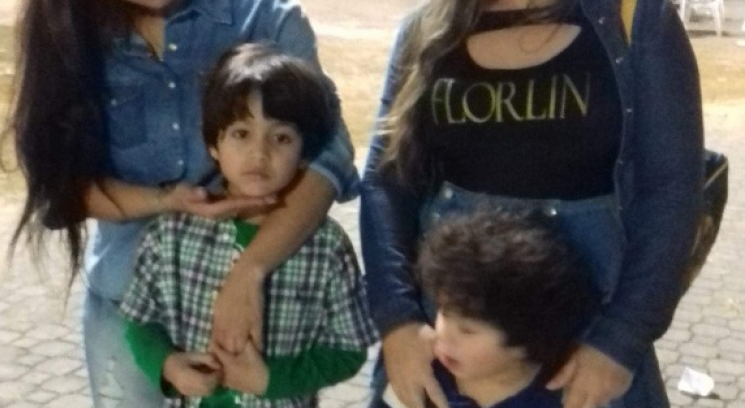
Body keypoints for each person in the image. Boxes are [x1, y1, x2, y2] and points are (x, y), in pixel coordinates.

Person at [1, 0, 358, 406]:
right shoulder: (69, 27)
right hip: (128, 306)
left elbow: (329, 156)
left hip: (272, 311)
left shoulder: (265, 17)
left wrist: (250, 270)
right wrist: (165, 200)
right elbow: (60, 184)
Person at [359, 0, 704, 407]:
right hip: (449, 344)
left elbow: (671, 192)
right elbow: (387, 181)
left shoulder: (638, 19)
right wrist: (397, 320)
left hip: (587, 349)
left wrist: (621, 340)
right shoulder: (426, 27)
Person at [118, 43, 378, 408]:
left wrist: (271, 380)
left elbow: (349, 348)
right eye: (241, 133)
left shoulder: (327, 247)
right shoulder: (170, 234)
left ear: (305, 154)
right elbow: (138, 319)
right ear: (214, 143)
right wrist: (168, 365)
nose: (260, 153)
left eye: (281, 138)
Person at [393, 210, 598, 408]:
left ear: (522, 345)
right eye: (443, 314)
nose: (444, 336)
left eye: (467, 330)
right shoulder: (423, 373)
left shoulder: (557, 399)